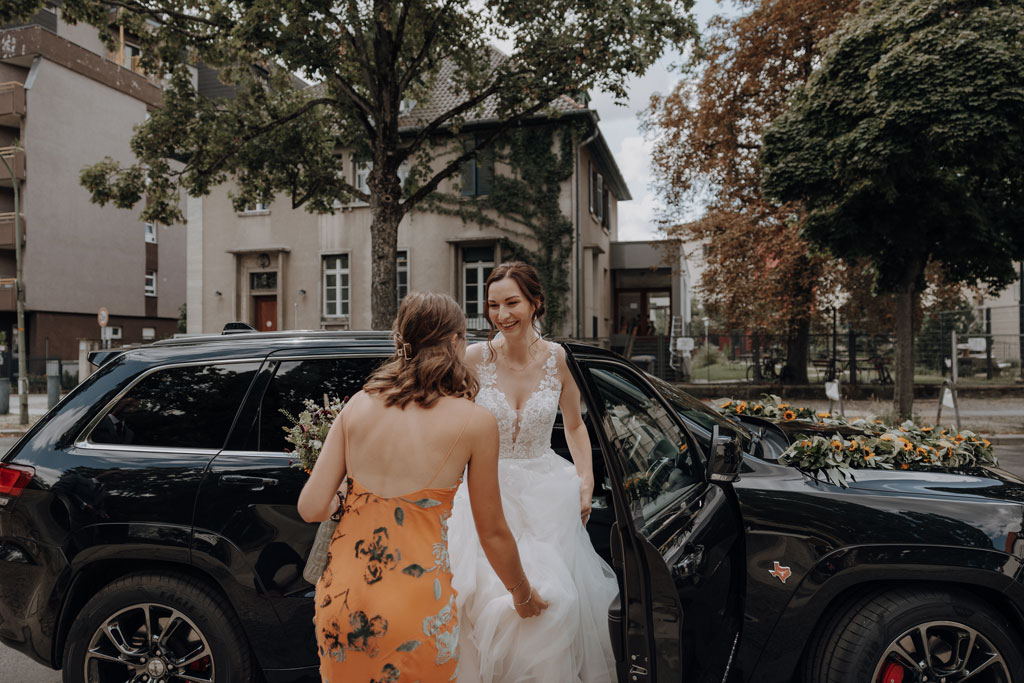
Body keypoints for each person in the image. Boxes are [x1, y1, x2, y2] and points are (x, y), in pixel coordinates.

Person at [298, 292, 547, 682]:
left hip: (343, 599)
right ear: (452, 343)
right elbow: (493, 532)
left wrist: (349, 494)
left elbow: (311, 508)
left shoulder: (358, 406)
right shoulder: (476, 422)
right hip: (417, 603)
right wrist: (522, 595)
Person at [448, 262, 618, 682]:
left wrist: (586, 481)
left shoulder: (558, 359)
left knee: (555, 604)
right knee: (487, 604)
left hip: (547, 499)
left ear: (535, 303)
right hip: (484, 497)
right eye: (493, 305)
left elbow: (575, 425)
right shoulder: (473, 359)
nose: (502, 314)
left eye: (512, 303)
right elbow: (445, 424)